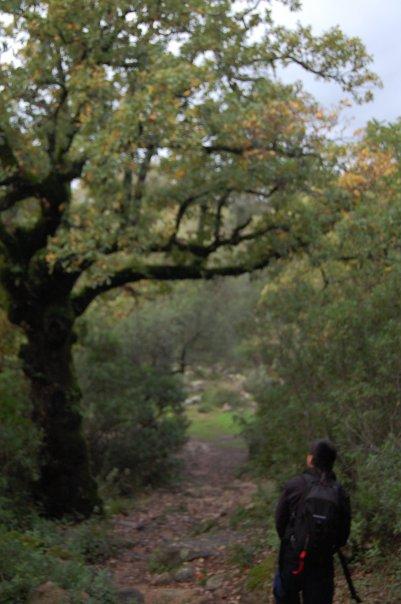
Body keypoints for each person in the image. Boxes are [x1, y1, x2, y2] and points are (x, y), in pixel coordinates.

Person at [273, 439, 351, 604]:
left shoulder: (295, 485)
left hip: (293, 559)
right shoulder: (339, 492)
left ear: (310, 459)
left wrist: (294, 541)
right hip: (322, 563)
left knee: (284, 596)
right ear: (332, 462)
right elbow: (343, 534)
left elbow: (280, 521)